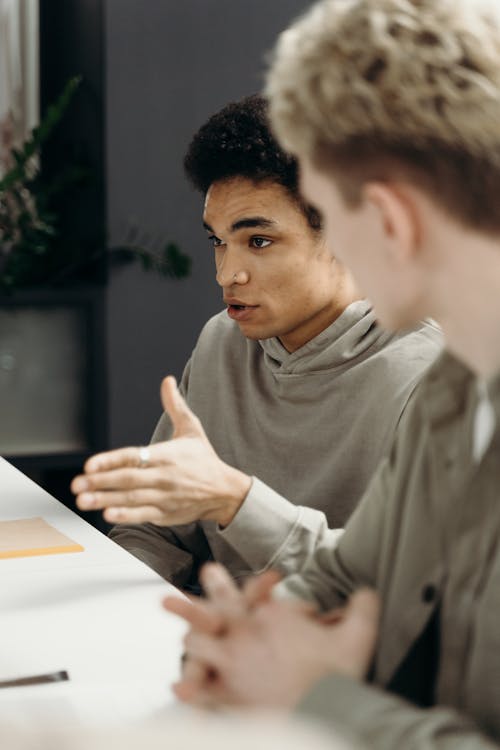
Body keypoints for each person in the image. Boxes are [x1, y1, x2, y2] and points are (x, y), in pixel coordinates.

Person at [162, 0, 500, 747]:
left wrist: (316, 697)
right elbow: (346, 574)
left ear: (387, 219)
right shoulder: (460, 391)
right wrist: (242, 637)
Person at [72, 95, 440, 590]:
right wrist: (118, 611)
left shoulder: (436, 377)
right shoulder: (222, 341)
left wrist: (236, 501)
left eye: (258, 241)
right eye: (217, 241)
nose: (227, 273)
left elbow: (401, 583)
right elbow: (156, 530)